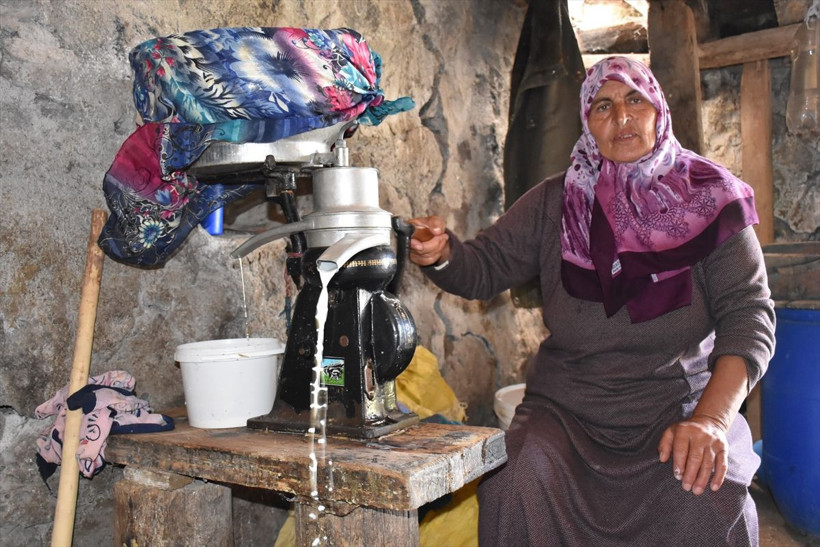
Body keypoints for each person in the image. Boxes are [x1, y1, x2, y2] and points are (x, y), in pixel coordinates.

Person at [408, 56, 775, 546]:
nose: (621, 117)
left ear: (658, 110)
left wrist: (710, 421)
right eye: (604, 105)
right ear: (587, 121)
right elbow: (485, 266)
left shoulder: (712, 198)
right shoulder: (555, 202)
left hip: (677, 407)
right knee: (513, 482)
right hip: (567, 412)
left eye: (634, 100)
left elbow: (749, 317)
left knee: (705, 501)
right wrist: (443, 254)